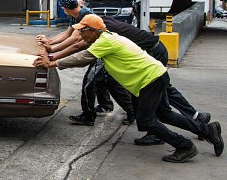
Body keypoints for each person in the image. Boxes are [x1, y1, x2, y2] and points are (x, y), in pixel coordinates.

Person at [34, 14, 223, 163]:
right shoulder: (107, 37)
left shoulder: (105, 42)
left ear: (92, 31)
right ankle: (207, 131)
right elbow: (79, 47)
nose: (81, 34)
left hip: (150, 79)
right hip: (154, 75)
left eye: (82, 31)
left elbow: (82, 57)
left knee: (146, 121)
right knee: (164, 114)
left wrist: (52, 63)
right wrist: (52, 53)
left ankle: (184, 146)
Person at [98, 16, 211, 146]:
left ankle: (169, 131)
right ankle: (197, 119)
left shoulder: (105, 31)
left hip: (153, 53)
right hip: (154, 50)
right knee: (163, 96)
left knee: (160, 97)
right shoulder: (105, 21)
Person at [37, 0, 134, 126]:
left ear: (65, 8)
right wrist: (50, 42)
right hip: (102, 49)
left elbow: (76, 42)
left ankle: (89, 115)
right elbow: (67, 34)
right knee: (104, 80)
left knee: (90, 80)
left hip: (101, 50)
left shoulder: (85, 17)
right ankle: (109, 105)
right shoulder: (77, 15)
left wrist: (52, 55)